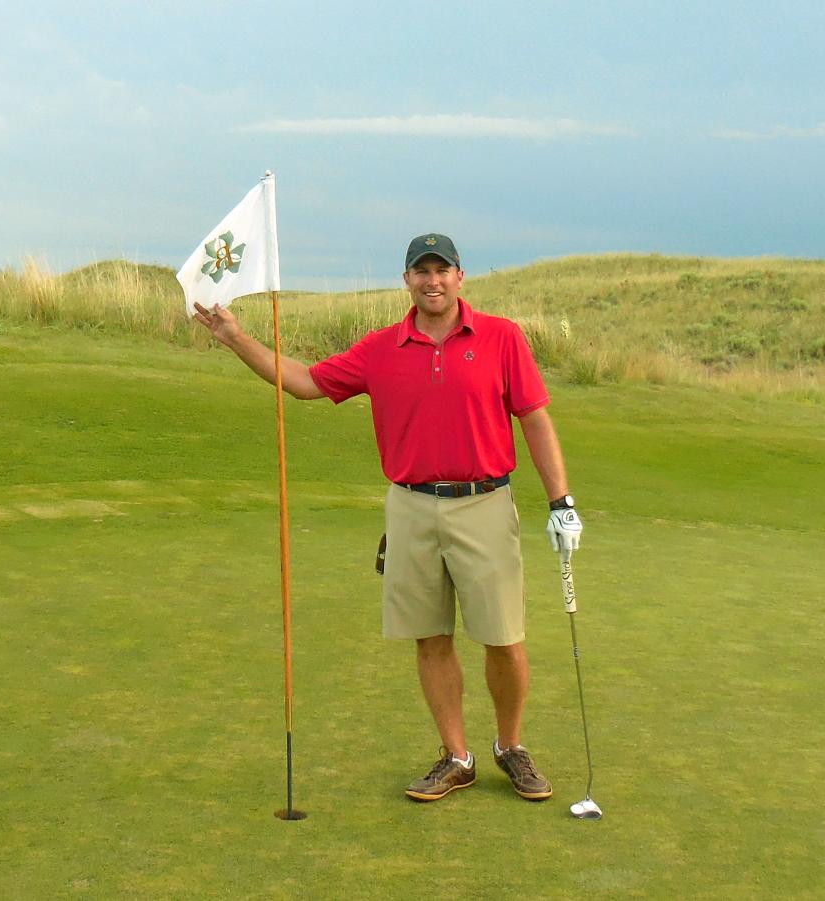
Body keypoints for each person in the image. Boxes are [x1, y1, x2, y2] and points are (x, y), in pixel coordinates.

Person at [192, 233, 583, 802]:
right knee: (430, 637)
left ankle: (510, 745)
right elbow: (305, 383)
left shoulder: (502, 337)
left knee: (503, 638)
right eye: (421, 271)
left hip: (484, 501)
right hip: (411, 506)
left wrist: (560, 502)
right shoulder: (380, 348)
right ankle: (457, 756)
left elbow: (535, 419)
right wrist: (235, 338)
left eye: (442, 270)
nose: (432, 281)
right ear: (407, 280)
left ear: (460, 276)